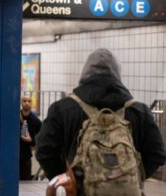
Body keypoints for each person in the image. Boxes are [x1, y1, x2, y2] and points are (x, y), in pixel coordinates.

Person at [36, 48, 166, 194]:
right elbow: (157, 154)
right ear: (117, 74)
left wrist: (69, 181)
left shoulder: (62, 108)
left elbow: (44, 151)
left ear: (85, 73)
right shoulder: (139, 111)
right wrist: (131, 178)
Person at [19, 94, 42, 180]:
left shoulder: (35, 120)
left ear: (32, 103)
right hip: (14, 155)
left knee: (26, 182)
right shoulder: (14, 117)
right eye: (24, 101)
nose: (27, 103)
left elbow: (42, 135)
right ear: (21, 103)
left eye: (29, 101)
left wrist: (31, 141)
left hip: (26, 156)